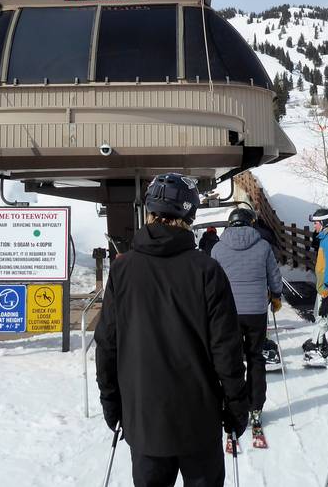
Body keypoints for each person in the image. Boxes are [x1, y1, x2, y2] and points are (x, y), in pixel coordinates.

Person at [95, 173, 248, 487]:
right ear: (189, 216)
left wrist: (112, 403)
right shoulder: (206, 269)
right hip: (198, 419)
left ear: (150, 211)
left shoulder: (123, 269)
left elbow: (107, 344)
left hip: (144, 419)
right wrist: (236, 406)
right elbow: (226, 349)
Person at [210, 207, 283, 435]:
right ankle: (256, 406)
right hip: (256, 312)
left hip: (228, 312)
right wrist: (276, 295)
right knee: (255, 357)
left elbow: (211, 280)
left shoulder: (218, 248)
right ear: (250, 223)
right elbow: (274, 274)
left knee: (230, 359)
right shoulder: (263, 246)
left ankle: (232, 402)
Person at [302, 207, 328, 367]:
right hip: (324, 287)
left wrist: (326, 286)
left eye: (316, 223)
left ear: (324, 223)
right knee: (321, 315)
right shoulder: (326, 238)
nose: (314, 226)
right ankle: (317, 341)